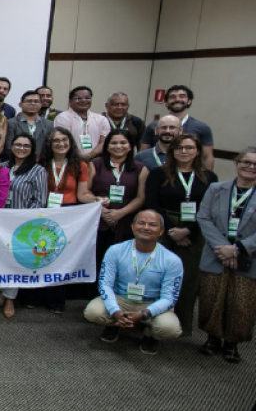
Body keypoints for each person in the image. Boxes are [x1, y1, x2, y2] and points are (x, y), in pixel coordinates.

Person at [145, 133, 217, 336]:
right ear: (172, 151)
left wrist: (188, 231)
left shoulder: (209, 177)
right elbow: (151, 203)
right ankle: (148, 321)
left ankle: (180, 323)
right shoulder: (158, 174)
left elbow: (209, 208)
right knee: (155, 275)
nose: (184, 152)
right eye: (179, 148)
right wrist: (170, 230)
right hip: (162, 228)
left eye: (189, 148)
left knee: (188, 279)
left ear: (198, 151)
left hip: (195, 229)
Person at [84, 210, 183, 355]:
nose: (146, 228)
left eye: (152, 225)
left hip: (151, 302)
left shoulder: (172, 260)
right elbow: (105, 284)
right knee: (93, 312)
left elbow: (169, 298)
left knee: (169, 328)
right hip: (121, 299)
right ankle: (115, 324)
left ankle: (150, 335)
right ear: (132, 226)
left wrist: (144, 313)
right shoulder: (115, 251)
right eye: (141, 223)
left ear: (161, 231)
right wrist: (115, 311)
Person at [196, 147, 256, 364]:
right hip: (216, 253)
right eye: (246, 162)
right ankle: (212, 338)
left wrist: (238, 249)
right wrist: (223, 247)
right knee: (212, 297)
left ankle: (232, 343)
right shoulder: (216, 189)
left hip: (249, 257)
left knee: (241, 303)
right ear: (237, 163)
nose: (250, 167)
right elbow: (203, 217)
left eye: (255, 164)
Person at [37, 128, 97, 313]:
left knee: (61, 257)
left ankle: (56, 301)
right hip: (45, 212)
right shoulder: (41, 163)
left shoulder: (80, 165)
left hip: (68, 214)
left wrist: (97, 200)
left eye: (64, 140)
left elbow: (82, 194)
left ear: (70, 142)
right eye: (56, 140)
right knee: (41, 254)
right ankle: (36, 297)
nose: (60, 144)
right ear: (49, 144)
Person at [0, 133, 48, 318]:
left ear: (32, 149)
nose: (22, 149)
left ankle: (10, 298)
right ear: (12, 146)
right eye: (18, 144)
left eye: (26, 146)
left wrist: (25, 219)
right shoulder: (2, 166)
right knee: (1, 257)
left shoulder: (37, 170)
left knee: (15, 259)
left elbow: (40, 200)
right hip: (0, 221)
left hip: (23, 223)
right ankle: (2, 293)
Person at [87, 130, 148, 278]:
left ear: (130, 146)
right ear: (107, 146)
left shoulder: (141, 168)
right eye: (113, 143)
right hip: (98, 220)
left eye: (123, 142)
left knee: (121, 262)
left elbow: (140, 198)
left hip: (126, 221)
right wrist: (100, 209)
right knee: (96, 260)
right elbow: (85, 191)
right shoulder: (95, 164)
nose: (118, 146)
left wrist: (120, 213)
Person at [139, 85, 214, 171]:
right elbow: (143, 153)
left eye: (182, 96)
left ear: (189, 101)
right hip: (154, 172)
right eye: (172, 97)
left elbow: (206, 157)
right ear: (166, 102)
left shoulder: (201, 127)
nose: (177, 99)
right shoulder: (153, 126)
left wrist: (207, 177)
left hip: (188, 174)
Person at [54, 86, 110, 160]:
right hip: (70, 160)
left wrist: (90, 155)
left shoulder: (101, 119)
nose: (83, 100)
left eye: (87, 98)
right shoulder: (63, 117)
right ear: (70, 101)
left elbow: (104, 142)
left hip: (95, 161)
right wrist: (79, 157)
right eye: (78, 98)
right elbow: (64, 140)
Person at [5, 90, 53, 157]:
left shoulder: (49, 124)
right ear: (20, 105)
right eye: (29, 101)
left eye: (36, 101)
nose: (33, 103)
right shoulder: (11, 123)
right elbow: (8, 146)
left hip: (41, 161)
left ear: (40, 104)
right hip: (17, 160)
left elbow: (49, 146)